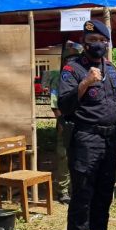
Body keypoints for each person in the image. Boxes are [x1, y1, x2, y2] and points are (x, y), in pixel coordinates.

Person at [58, 19, 116, 230]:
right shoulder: (72, 69)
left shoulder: (112, 69)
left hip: (109, 142)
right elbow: (64, 106)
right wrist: (85, 83)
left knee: (103, 195)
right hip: (86, 141)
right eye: (92, 42)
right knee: (83, 196)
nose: (96, 45)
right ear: (84, 44)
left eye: (101, 41)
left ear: (106, 43)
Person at [46, 40, 83, 204]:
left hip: (82, 122)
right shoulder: (59, 77)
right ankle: (63, 191)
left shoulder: (83, 74)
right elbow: (55, 103)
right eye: (70, 58)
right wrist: (61, 122)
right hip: (65, 122)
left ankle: (78, 189)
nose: (72, 61)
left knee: (80, 158)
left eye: (76, 58)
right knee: (64, 158)